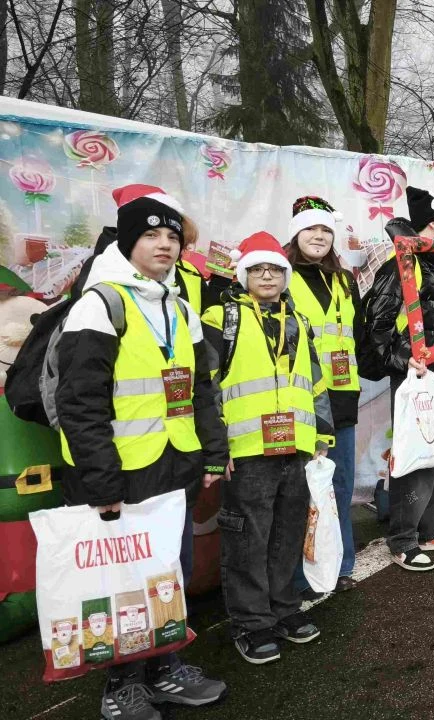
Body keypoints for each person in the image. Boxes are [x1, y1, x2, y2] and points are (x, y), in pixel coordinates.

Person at [56, 184, 227, 719]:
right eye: (150, 235)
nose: (164, 245)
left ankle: (163, 666)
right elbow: (79, 402)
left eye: (171, 235)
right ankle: (120, 685)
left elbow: (201, 389)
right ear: (127, 242)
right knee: (122, 582)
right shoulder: (100, 304)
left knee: (168, 573)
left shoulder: (176, 306)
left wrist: (213, 456)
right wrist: (101, 481)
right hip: (124, 474)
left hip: (174, 464)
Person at [202, 231, 333, 664]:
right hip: (246, 453)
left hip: (295, 449)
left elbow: (316, 384)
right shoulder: (222, 318)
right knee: (248, 541)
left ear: (285, 275)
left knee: (286, 535)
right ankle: (251, 624)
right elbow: (206, 388)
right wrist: (217, 451)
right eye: (258, 269)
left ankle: (284, 610)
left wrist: (321, 436)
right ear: (243, 275)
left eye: (275, 269)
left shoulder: (299, 322)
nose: (267, 276)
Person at [358, 186, 434, 571]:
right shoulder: (402, 265)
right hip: (417, 377)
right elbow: (379, 324)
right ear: (433, 224)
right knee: (416, 458)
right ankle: (403, 539)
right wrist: (406, 362)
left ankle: (433, 528)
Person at [282, 196, 362, 594]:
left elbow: (359, 336)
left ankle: (340, 564)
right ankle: (299, 575)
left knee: (339, 485)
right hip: (298, 401)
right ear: (296, 233)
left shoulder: (344, 281)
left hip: (342, 397)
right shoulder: (279, 275)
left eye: (326, 229)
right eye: (312, 228)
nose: (319, 236)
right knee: (299, 490)